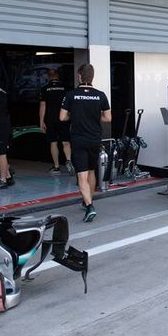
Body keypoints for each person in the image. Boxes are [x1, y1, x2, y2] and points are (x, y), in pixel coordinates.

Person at [60, 64, 111, 222]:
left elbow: (62, 117)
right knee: (91, 171)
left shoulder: (71, 95)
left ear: (79, 76)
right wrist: (95, 118)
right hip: (95, 139)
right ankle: (89, 200)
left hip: (79, 139)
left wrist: (74, 117)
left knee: (81, 175)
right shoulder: (100, 95)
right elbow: (108, 118)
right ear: (92, 77)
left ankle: (89, 206)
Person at [40, 69, 73, 175]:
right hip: (64, 118)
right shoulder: (65, 88)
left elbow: (42, 106)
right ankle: (69, 161)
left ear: (49, 77)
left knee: (53, 142)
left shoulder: (45, 89)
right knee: (66, 142)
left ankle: (56, 167)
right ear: (58, 76)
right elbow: (70, 104)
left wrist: (41, 121)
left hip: (50, 119)